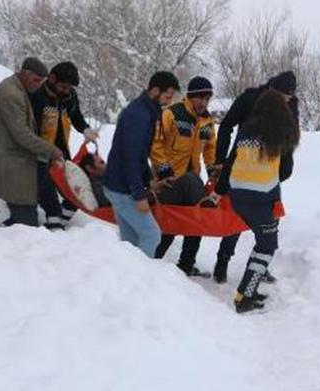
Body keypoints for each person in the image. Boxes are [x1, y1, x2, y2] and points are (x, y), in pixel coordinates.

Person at [213, 90, 299, 313]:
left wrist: (220, 190)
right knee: (267, 244)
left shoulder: (245, 129)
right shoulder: (281, 133)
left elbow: (231, 161)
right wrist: (268, 176)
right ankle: (244, 296)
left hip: (237, 195)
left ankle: (243, 285)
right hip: (261, 197)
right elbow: (286, 170)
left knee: (259, 239)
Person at [103, 71, 180, 257]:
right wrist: (139, 196)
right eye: (167, 95)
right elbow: (130, 157)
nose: (169, 101)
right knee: (151, 235)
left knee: (130, 243)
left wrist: (148, 179)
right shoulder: (138, 115)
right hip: (121, 189)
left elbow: (140, 154)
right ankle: (139, 281)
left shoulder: (145, 111)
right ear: (155, 91)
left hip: (118, 185)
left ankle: (126, 279)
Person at [0, 57, 63, 227]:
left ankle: (2, 231)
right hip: (11, 165)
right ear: (25, 73)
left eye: (41, 82)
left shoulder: (16, 87)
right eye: (35, 80)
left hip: (15, 164)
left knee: (24, 219)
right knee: (26, 225)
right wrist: (51, 150)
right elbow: (22, 134)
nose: (38, 85)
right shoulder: (11, 94)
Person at [151, 76, 218, 277]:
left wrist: (213, 170)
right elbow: (156, 143)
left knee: (194, 223)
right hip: (168, 182)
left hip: (192, 185)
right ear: (190, 96)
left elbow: (210, 150)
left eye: (207, 99)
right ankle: (149, 262)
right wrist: (163, 170)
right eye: (200, 98)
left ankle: (186, 265)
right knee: (169, 228)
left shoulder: (207, 122)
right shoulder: (172, 114)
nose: (204, 103)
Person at [30, 61, 98, 230]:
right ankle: (53, 224)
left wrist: (85, 129)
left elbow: (76, 116)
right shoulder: (37, 96)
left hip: (61, 151)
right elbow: (30, 129)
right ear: (52, 79)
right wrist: (47, 153)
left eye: (69, 88)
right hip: (41, 152)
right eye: (63, 87)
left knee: (75, 188)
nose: (66, 91)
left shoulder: (69, 96)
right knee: (47, 189)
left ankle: (62, 222)